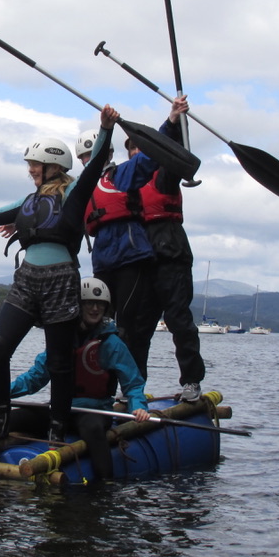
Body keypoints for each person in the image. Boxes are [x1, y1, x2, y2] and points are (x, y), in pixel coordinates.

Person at [0, 105, 120, 444]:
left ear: (53, 167)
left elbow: (94, 168)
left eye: (34, 165)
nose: (30, 170)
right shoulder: (28, 201)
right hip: (27, 279)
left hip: (61, 281)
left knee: (60, 362)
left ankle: (58, 427)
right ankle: (0, 418)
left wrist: (105, 129)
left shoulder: (73, 193)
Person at [78, 96, 188, 396]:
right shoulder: (81, 190)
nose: (90, 160)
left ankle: (132, 394)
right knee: (100, 330)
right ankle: (101, 390)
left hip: (131, 260)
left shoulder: (121, 175)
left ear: (106, 153)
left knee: (128, 330)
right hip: (103, 264)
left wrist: (172, 122)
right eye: (85, 157)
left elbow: (150, 156)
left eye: (94, 154)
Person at [7, 277, 150, 480]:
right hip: (60, 410)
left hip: (94, 411)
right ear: (77, 306)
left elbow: (133, 382)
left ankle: (104, 486)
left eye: (100, 304)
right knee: (12, 418)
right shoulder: (62, 338)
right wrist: (2, 392)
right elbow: (36, 377)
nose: (94, 309)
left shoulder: (112, 343)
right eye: (89, 303)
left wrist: (138, 406)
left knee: (91, 428)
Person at [124, 98, 205, 401]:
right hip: (141, 257)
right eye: (131, 148)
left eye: (139, 148)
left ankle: (192, 382)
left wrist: (173, 122)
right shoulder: (125, 183)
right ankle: (134, 390)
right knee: (137, 329)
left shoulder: (164, 174)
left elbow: (176, 152)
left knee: (178, 320)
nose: (135, 152)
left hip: (170, 250)